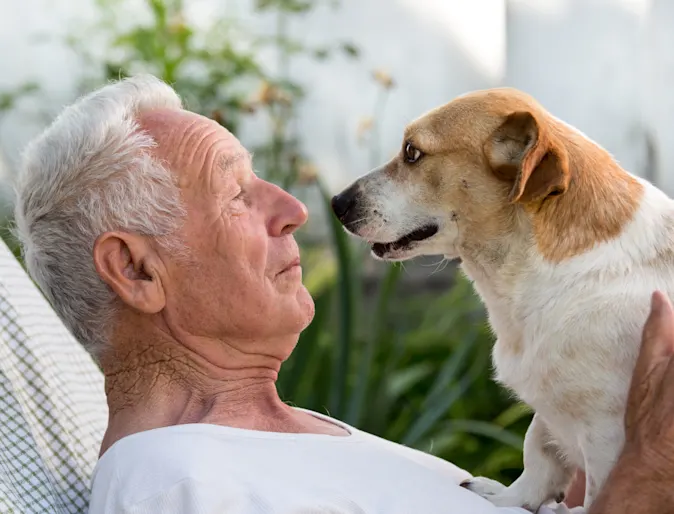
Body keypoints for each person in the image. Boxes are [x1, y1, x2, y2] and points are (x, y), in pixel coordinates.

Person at [11, 74, 674, 514]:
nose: (294, 210)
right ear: (136, 271)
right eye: (237, 193)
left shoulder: (290, 447)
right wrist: (645, 479)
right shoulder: (176, 480)